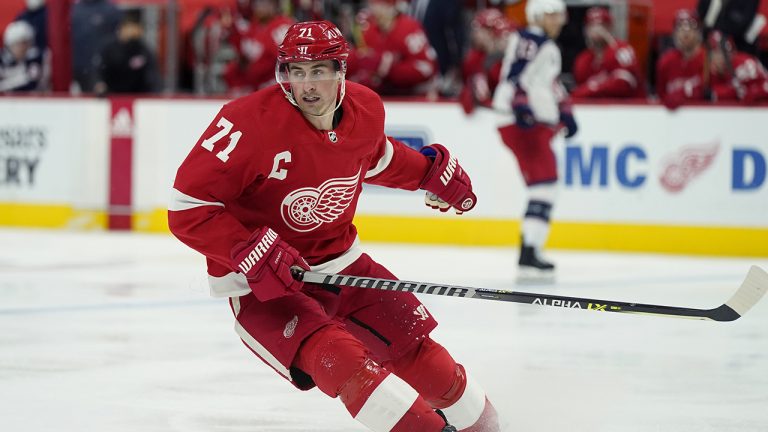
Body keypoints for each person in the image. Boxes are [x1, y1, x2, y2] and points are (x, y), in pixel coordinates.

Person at [168, 20, 499, 432]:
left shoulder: (365, 109)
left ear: (341, 71)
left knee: (427, 362)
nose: (307, 85)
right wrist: (246, 248)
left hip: (343, 263)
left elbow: (377, 158)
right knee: (344, 363)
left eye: (319, 71)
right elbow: (188, 207)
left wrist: (427, 174)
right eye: (297, 71)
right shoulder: (246, 123)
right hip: (264, 286)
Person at [491, 0, 577, 281]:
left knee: (544, 186)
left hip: (530, 122)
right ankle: (529, 250)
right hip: (522, 122)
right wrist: (521, 105)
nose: (559, 20)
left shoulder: (545, 44)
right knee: (545, 185)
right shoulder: (530, 39)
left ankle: (530, 249)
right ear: (538, 14)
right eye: (553, 14)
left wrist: (564, 110)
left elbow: (548, 82)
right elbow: (517, 75)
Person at [347, 0, 438, 95]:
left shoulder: (409, 28)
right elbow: (359, 63)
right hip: (381, 96)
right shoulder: (368, 29)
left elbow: (426, 68)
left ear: (391, 7)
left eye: (379, 5)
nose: (374, 10)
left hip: (413, 97)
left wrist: (389, 67)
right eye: (372, 5)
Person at [571, 6, 645, 99]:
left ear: (610, 28)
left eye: (602, 26)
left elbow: (622, 85)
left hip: (628, 110)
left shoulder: (622, 50)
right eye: (592, 26)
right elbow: (578, 94)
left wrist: (592, 88)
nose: (597, 30)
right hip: (595, 111)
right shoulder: (583, 59)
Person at [222, 0, 294, 93]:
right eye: (257, 4)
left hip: (275, 81)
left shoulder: (282, 26)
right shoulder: (253, 27)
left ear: (274, 6)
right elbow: (244, 58)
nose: (260, 7)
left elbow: (287, 59)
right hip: (254, 83)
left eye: (264, 3)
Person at [459, 8, 515, 114]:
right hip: (494, 115)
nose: (475, 34)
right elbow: (477, 98)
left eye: (478, 30)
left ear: (490, 32)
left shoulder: (509, 59)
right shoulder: (475, 58)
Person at [93, 11, 161, 95]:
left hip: (137, 96)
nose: (134, 32)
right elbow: (99, 71)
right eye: (130, 28)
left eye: (137, 29)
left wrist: (153, 92)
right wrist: (99, 84)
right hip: (112, 94)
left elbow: (152, 76)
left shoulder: (143, 51)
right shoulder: (109, 49)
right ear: (122, 29)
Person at [655, 9, 706, 110]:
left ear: (698, 32)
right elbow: (660, 96)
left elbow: (709, 92)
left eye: (690, 28)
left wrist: (682, 93)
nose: (685, 33)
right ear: (675, 33)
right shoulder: (666, 61)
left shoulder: (708, 60)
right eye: (680, 28)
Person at [71, 0, 122, 93]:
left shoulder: (111, 10)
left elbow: (117, 41)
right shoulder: (73, 9)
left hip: (101, 69)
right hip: (76, 67)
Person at [706, 30, 768, 104]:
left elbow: (762, 88)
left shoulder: (745, 64)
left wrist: (730, 92)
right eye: (713, 52)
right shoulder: (712, 70)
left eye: (722, 52)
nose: (716, 57)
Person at [0, 20, 49, 92]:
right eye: (17, 44)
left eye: (25, 43)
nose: (22, 47)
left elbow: (31, 83)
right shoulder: (4, 60)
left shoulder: (35, 59)